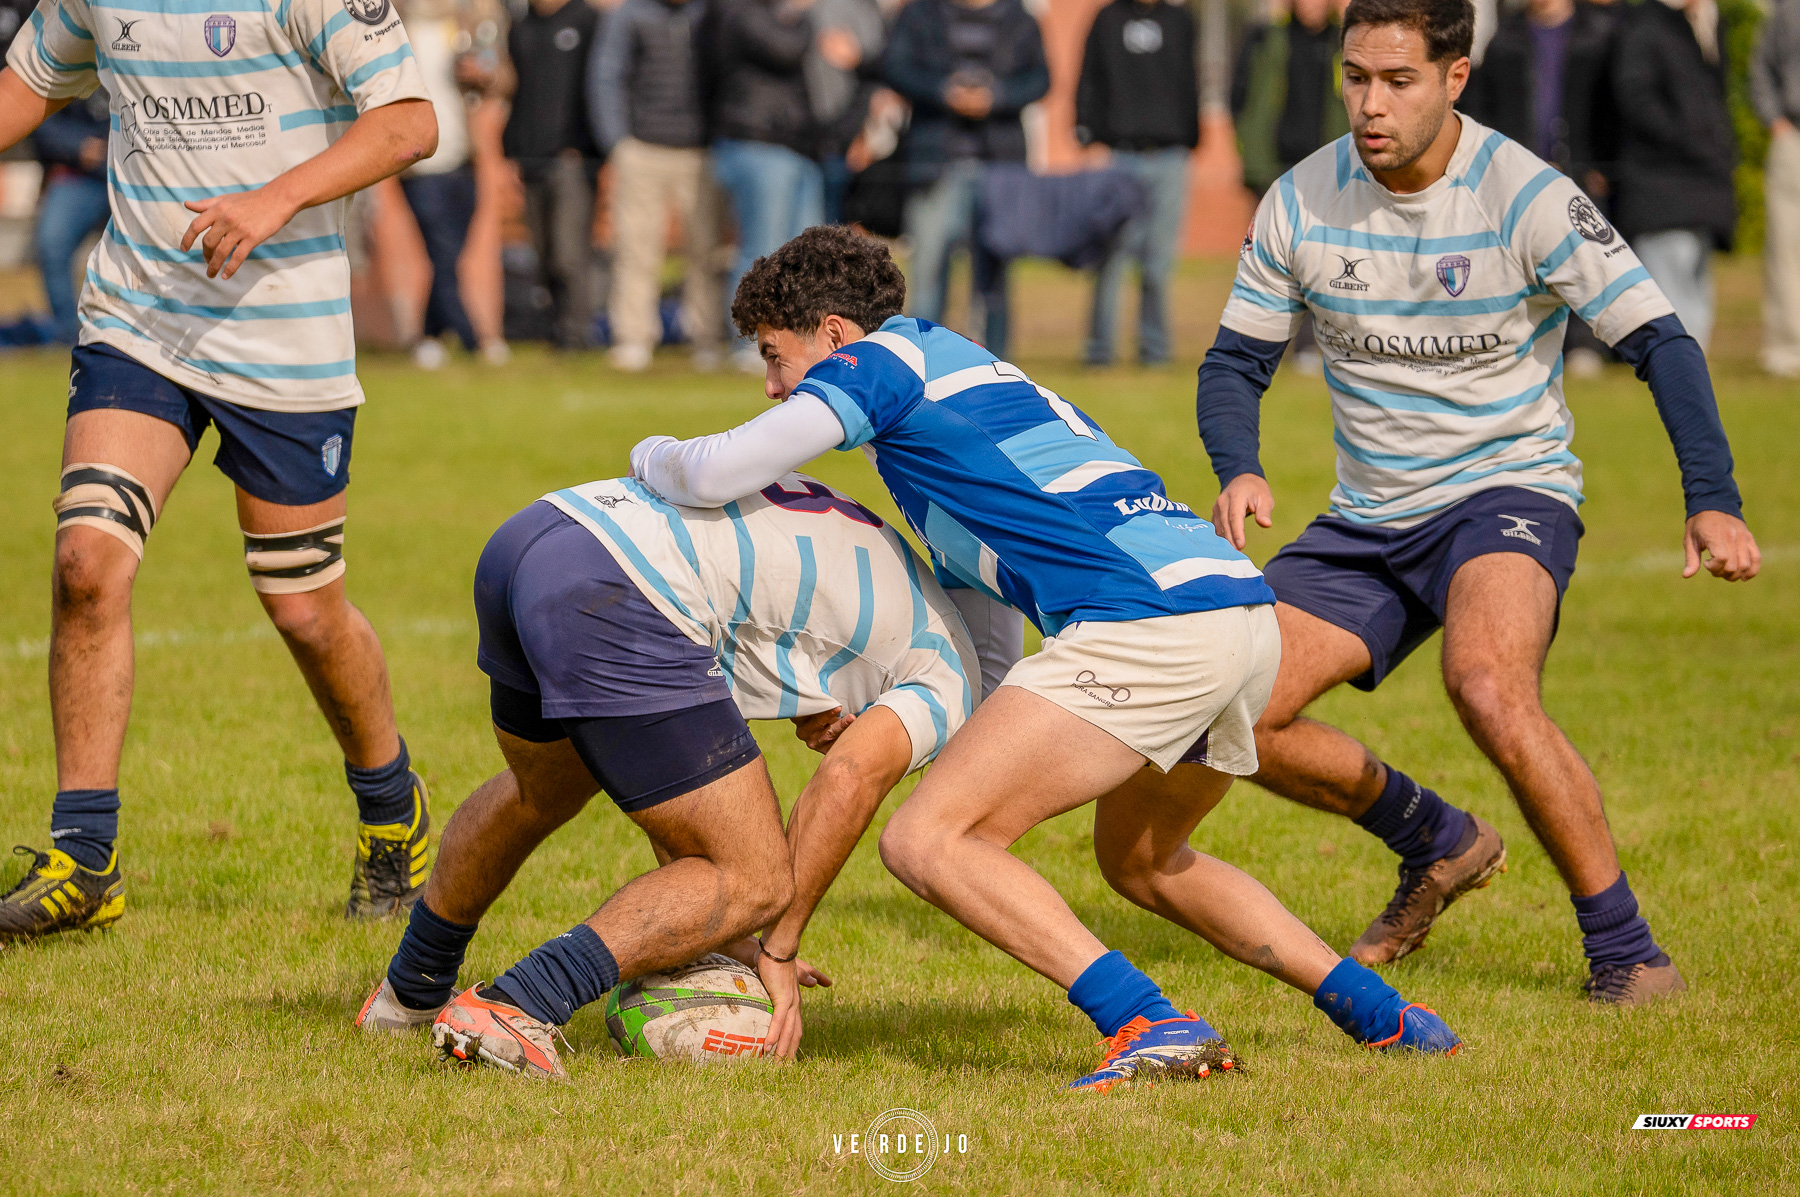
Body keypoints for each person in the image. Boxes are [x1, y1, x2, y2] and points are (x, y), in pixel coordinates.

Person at [631, 225, 1463, 1092]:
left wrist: (647, 455)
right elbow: (990, 631)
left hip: (1152, 619)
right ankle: (1388, 1016)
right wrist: (931, 734)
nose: (770, 386)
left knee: (928, 839)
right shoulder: (948, 395)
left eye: (775, 357)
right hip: (1235, 609)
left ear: (836, 336)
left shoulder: (878, 364)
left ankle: (1149, 1022)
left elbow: (718, 469)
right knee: (1142, 859)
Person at [1198, 0, 1761, 1006]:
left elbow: (1661, 342)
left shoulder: (1524, 194)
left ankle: (1630, 954)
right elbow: (1235, 362)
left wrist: (1711, 499)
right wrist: (1237, 462)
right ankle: (1438, 841)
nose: (1371, 106)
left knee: (1489, 685)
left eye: (1399, 81)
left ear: (1456, 77)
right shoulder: (1300, 197)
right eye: (1356, 79)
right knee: (1232, 707)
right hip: (1368, 514)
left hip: (1506, 490)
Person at [0, 0, 441, 939]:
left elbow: (410, 122)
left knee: (304, 605)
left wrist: (276, 196)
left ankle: (392, 803)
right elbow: (28, 86)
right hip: (138, 321)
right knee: (87, 562)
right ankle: (85, 857)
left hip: (283, 340)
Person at [355, 469, 979, 1074]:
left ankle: (409, 992)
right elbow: (849, 777)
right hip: (621, 587)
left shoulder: (894, 580)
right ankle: (517, 1005)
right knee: (758, 878)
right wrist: (775, 946)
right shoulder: (954, 683)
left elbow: (680, 764)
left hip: (541, 534)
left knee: (543, 788)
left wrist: (721, 926)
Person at [1460, 0, 1622, 376]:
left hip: (1581, 171)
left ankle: (1585, 346)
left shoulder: (1597, 32)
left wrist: (1600, 162)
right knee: (1519, 264)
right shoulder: (1506, 36)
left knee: (1586, 259)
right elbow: (1487, 107)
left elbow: (1613, 105)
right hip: (1519, 171)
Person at [883, 0, 1048, 356]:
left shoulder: (1018, 18)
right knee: (928, 273)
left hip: (1000, 165)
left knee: (994, 278)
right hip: (934, 162)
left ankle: (997, 368)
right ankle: (922, 365)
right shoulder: (919, 13)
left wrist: (997, 97)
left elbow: (1040, 78)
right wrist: (944, 91)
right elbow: (895, 67)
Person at [589, 0, 724, 372]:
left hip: (700, 151)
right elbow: (607, 76)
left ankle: (706, 338)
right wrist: (617, 142)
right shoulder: (630, 14)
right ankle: (632, 338)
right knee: (635, 249)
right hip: (642, 149)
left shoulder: (708, 15)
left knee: (705, 251)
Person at [1074, 0, 1200, 368]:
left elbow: (1188, 82)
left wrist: (1190, 139)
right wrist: (1086, 134)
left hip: (1169, 155)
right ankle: (1100, 351)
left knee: (1159, 262)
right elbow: (1088, 78)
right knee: (1111, 257)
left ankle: (1155, 352)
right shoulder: (1106, 18)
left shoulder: (1179, 21)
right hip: (1118, 154)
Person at [701, 0, 823, 372]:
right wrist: (805, 17)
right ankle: (748, 344)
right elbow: (784, 48)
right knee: (760, 251)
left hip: (796, 144)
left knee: (806, 255)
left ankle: (800, 345)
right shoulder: (737, 9)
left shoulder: (774, 13)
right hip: (755, 141)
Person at [1230, 0, 1350, 373]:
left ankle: (1312, 347)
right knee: (1267, 262)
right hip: (1272, 166)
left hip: (1328, 166)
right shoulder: (1266, 38)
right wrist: (1250, 149)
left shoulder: (1345, 42)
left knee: (1322, 261)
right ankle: (1259, 346)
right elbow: (1240, 98)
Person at [1610, 0, 1736, 352]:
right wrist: (1690, 142)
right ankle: (1679, 365)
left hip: (1700, 184)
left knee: (1694, 288)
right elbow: (1637, 100)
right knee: (1670, 294)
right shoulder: (1643, 25)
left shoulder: (1702, 24)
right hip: (1660, 185)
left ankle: (1692, 366)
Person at [397, 0, 510, 369]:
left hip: (464, 158)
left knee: (448, 256)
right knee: (443, 251)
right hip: (419, 163)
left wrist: (483, 75)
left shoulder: (468, 23)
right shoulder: (394, 28)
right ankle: (476, 339)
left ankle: (428, 336)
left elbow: (503, 79)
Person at [504, 0, 603, 351]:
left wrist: (589, 144)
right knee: (544, 257)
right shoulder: (520, 26)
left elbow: (599, 86)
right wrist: (510, 150)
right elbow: (516, 93)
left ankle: (577, 335)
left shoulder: (587, 20)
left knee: (569, 255)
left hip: (573, 160)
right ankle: (555, 332)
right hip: (529, 160)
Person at [29, 84, 109, 345]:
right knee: (51, 241)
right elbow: (37, 115)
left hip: (138, 170)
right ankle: (67, 334)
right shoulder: (66, 45)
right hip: (79, 173)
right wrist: (78, 146)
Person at [1752, 0, 1800, 378]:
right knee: (1785, 245)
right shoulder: (1787, 8)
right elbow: (1761, 65)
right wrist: (1775, 120)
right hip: (1793, 136)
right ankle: (1788, 349)